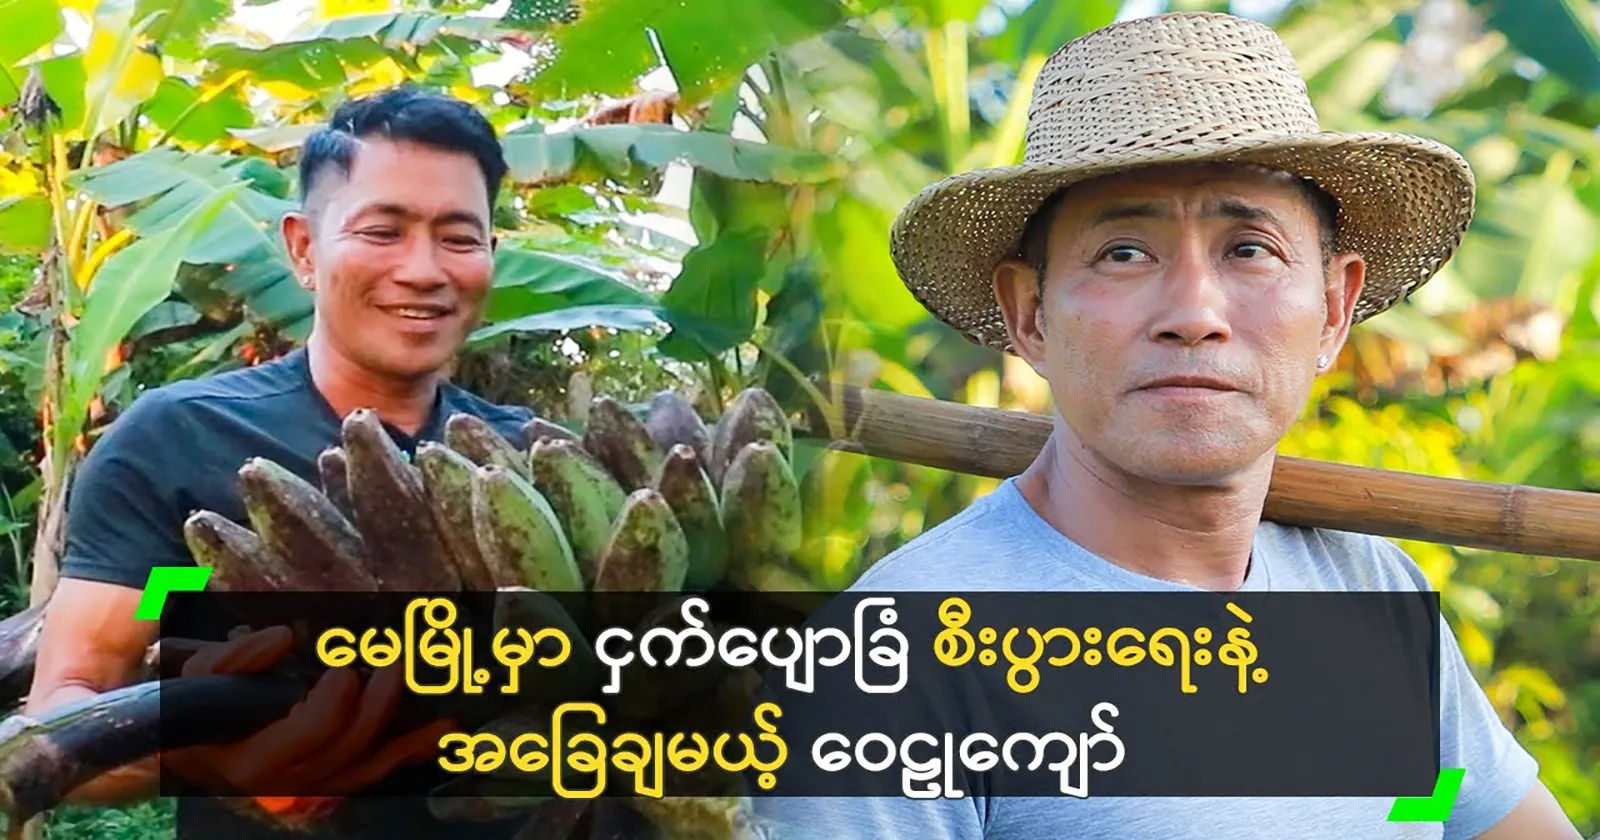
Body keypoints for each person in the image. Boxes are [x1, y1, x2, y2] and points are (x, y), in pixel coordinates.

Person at [753, 11, 1582, 840]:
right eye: (1124, 252)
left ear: (1334, 307)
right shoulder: (895, 667)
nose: (1193, 314)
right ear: (1030, 314)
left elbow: (1442, 808)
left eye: (1249, 248)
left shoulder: (1365, 587)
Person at [22, 87, 547, 838]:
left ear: (489, 256)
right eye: (383, 231)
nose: (424, 269)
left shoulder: (524, 462)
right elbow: (69, 699)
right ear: (304, 248)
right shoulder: (180, 442)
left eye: (459, 238)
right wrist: (215, 759)